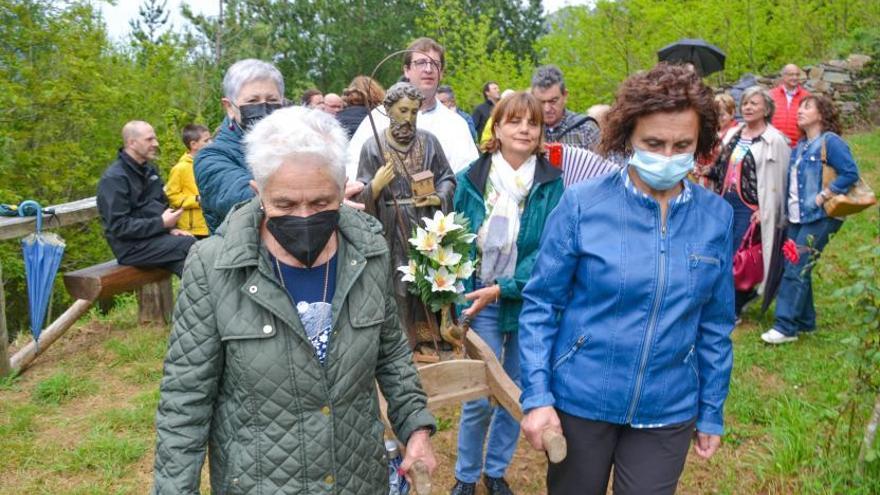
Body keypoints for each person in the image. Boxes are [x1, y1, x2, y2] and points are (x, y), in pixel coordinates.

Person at [152, 106, 437, 494]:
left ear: (343, 190)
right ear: (259, 193)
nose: (304, 216)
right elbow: (185, 402)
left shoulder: (368, 250)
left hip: (357, 478)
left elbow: (392, 356)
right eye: (285, 205)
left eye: (320, 204)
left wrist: (416, 428)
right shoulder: (212, 267)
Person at [518, 63, 734, 495]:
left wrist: (710, 409)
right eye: (654, 143)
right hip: (581, 399)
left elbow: (715, 323)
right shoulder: (582, 205)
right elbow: (542, 304)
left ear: (700, 143)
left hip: (667, 407)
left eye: (682, 145)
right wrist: (538, 396)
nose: (668, 156)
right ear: (628, 137)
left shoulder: (716, 217)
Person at [451, 92, 564, 495]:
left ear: (539, 134)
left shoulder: (551, 184)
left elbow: (550, 250)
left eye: (532, 123)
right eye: (514, 121)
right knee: (478, 393)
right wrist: (461, 290)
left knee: (515, 390)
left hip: (528, 299)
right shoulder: (472, 177)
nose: (524, 129)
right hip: (480, 296)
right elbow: (458, 236)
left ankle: (495, 471)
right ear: (496, 128)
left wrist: (509, 288)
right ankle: (465, 476)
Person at [355, 82, 456, 355]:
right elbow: (360, 192)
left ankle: (431, 336)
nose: (409, 117)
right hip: (392, 223)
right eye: (403, 110)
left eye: (414, 111)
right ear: (388, 111)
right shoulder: (372, 146)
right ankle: (403, 341)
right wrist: (374, 187)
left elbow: (447, 177)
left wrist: (437, 197)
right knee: (400, 284)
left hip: (425, 222)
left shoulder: (429, 141)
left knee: (428, 280)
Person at [762, 95, 860, 344]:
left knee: (796, 269)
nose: (800, 111)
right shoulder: (801, 145)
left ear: (821, 113)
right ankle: (806, 322)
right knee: (795, 265)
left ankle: (786, 327)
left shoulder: (830, 142)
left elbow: (850, 172)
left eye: (807, 107)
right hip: (797, 217)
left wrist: (825, 194)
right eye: (799, 108)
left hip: (821, 216)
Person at [707, 86, 790, 321]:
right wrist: (707, 172)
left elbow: (780, 181)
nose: (748, 107)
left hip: (752, 206)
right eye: (745, 103)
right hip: (727, 200)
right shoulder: (735, 134)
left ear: (766, 109)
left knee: (742, 255)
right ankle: (727, 301)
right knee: (723, 251)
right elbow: (722, 166)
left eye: (754, 103)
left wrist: (766, 208)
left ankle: (736, 305)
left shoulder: (775, 140)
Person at [345, 37, 479, 179]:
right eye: (420, 63)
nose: (428, 69)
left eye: (435, 64)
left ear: (442, 72)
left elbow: (467, 174)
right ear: (407, 70)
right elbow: (353, 164)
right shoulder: (378, 118)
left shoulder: (456, 125)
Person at [194, 59, 284, 233]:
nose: (264, 107)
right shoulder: (211, 157)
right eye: (252, 101)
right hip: (240, 254)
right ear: (229, 107)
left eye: (272, 99)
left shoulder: (295, 143)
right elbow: (245, 201)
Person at [97, 121, 196, 277]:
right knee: (189, 246)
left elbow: (161, 205)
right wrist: (161, 223)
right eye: (149, 139)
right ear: (132, 143)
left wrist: (171, 229)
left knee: (192, 263)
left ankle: (209, 299)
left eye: (154, 139)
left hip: (155, 239)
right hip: (130, 248)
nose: (155, 143)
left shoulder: (150, 170)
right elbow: (119, 226)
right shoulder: (114, 178)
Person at [531, 65, 600, 151]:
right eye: (541, 102)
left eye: (553, 101)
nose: (547, 109)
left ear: (565, 96)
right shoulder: (528, 130)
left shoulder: (586, 129)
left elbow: (607, 163)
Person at [165, 124, 211, 238]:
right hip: (192, 230)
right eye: (206, 140)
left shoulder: (210, 164)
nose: (211, 143)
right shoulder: (180, 168)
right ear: (193, 145)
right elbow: (171, 196)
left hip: (211, 224)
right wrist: (196, 200)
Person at [694, 94, 738, 189]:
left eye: (722, 115)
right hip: (703, 181)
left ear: (732, 113)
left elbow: (733, 163)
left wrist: (711, 168)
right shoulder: (712, 130)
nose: (718, 118)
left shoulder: (737, 133)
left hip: (722, 183)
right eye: (715, 115)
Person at [770, 64, 811, 147]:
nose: (795, 78)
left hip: (798, 146)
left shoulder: (807, 96)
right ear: (783, 76)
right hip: (773, 144)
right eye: (791, 75)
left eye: (797, 75)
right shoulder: (771, 95)